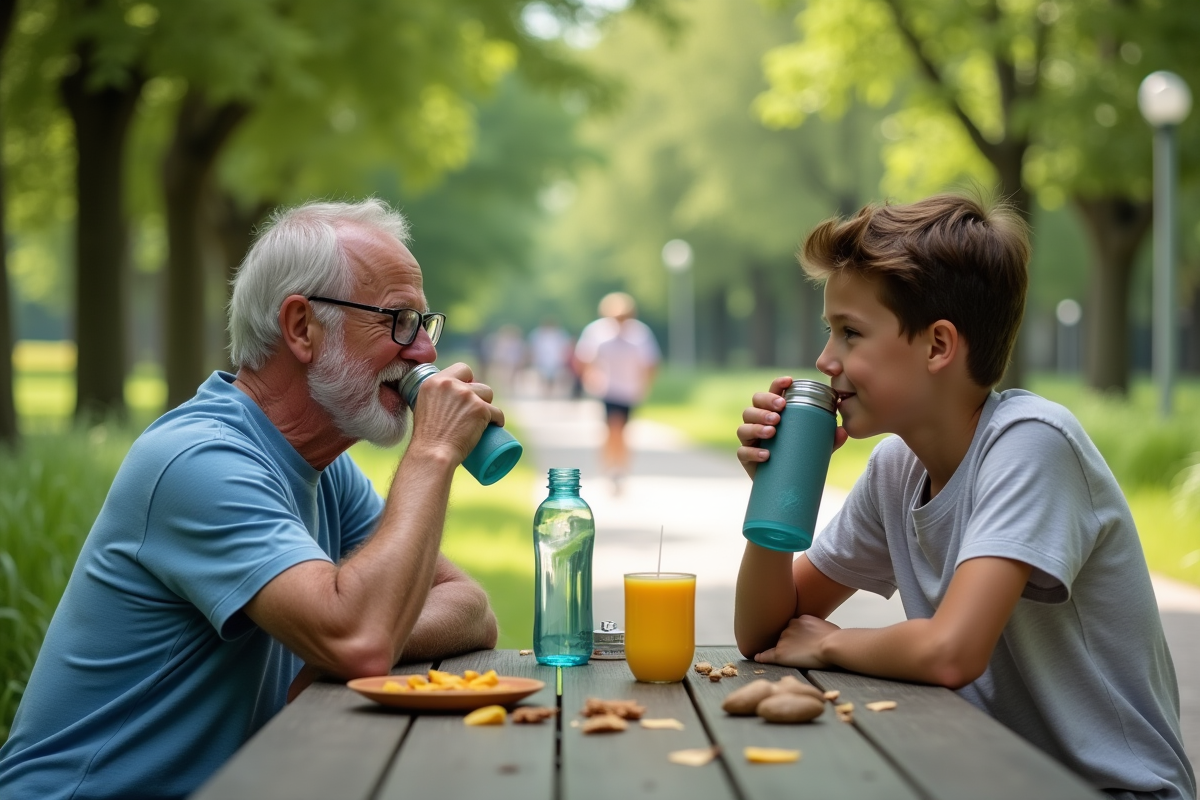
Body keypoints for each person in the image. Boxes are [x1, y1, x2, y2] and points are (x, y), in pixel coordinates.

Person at [0, 200, 502, 800]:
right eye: (397, 321)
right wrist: (433, 455)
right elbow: (362, 640)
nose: (423, 351)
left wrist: (352, 637)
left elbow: (471, 608)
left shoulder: (324, 469)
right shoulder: (200, 461)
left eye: (425, 324)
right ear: (301, 328)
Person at [734, 194, 1195, 800]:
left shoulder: (1033, 444)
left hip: (1111, 788)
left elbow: (952, 652)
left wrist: (830, 642)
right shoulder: (897, 468)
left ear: (938, 346)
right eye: (830, 332)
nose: (826, 361)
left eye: (851, 333)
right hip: (990, 776)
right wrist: (777, 493)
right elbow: (764, 634)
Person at [574, 292, 660, 493]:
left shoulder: (640, 334)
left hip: (630, 390)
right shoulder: (597, 332)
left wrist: (645, 385)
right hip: (608, 389)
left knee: (622, 430)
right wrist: (589, 377)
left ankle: (620, 467)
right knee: (612, 427)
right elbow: (583, 358)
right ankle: (611, 468)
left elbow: (650, 363)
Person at [527, 317, 572, 398]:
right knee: (543, 376)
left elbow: (564, 347)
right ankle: (545, 391)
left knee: (552, 377)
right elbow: (533, 347)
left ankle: (549, 391)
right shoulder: (538, 334)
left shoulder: (560, 334)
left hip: (555, 360)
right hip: (542, 360)